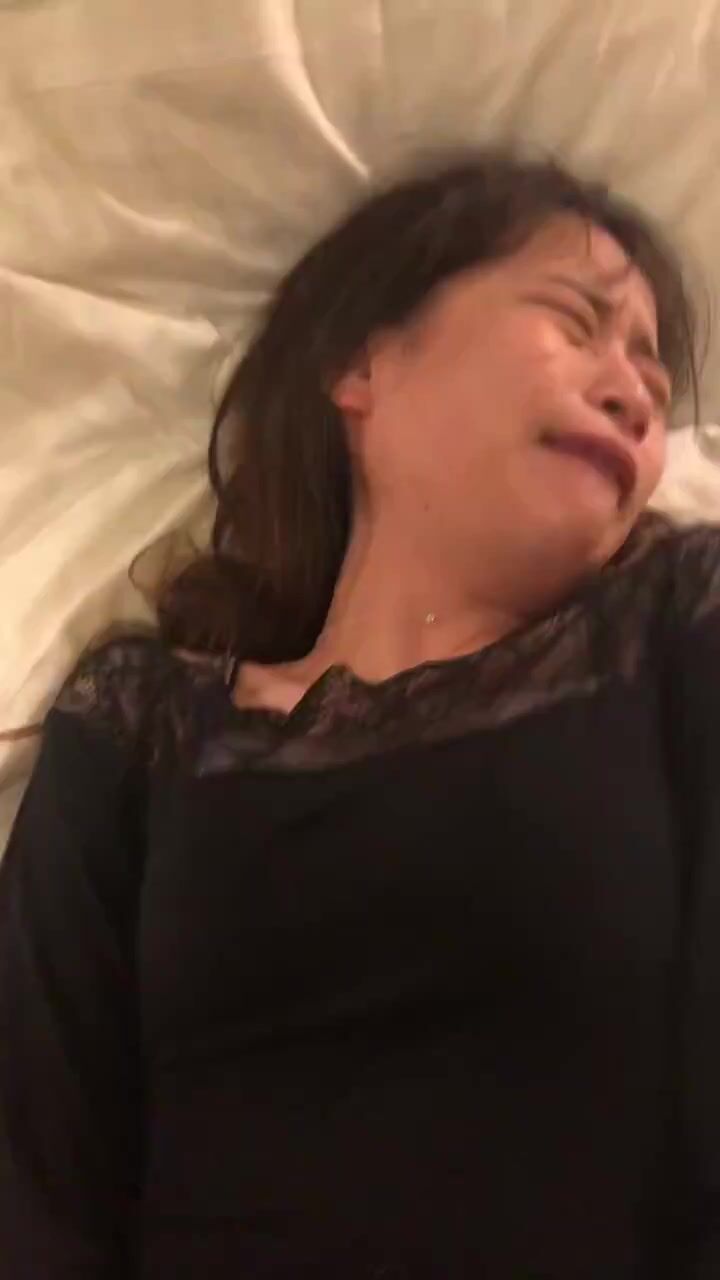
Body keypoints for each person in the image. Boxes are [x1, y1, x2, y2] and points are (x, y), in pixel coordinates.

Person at [0, 146, 717, 1279]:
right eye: (577, 322)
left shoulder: (678, 634)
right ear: (363, 363)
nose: (636, 393)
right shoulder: (145, 728)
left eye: (653, 374)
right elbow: (33, 1173)